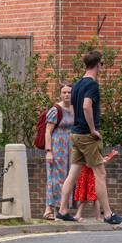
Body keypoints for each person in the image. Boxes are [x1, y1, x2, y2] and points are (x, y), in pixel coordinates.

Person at [56, 51, 122, 225]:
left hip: (76, 134)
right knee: (100, 173)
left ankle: (63, 210)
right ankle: (108, 215)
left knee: (73, 172)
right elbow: (86, 106)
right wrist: (93, 129)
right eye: (102, 65)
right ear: (98, 65)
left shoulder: (77, 84)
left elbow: (75, 107)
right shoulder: (92, 85)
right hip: (87, 136)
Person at [43, 84, 74, 220]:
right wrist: (48, 151)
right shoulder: (55, 109)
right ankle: (49, 209)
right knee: (55, 178)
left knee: (68, 177)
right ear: (60, 94)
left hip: (71, 147)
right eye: (64, 92)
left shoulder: (75, 109)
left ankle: (63, 209)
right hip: (57, 146)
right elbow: (47, 132)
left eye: (69, 92)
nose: (67, 95)